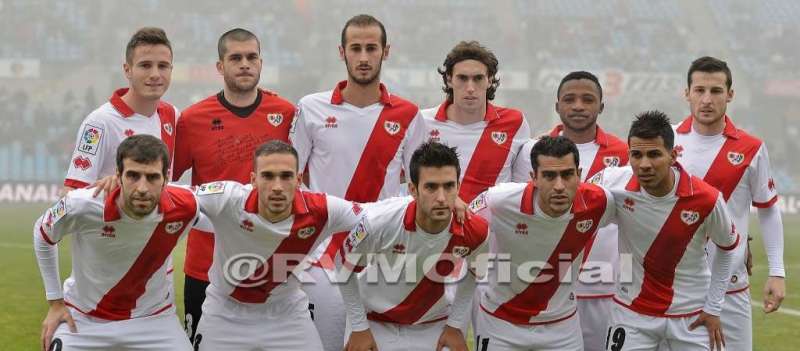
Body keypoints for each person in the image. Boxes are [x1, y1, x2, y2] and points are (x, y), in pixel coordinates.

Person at [290, 14, 427, 350]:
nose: (364, 57)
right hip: (324, 256)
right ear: (342, 52)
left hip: (382, 255)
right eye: (356, 48)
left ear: (386, 51)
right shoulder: (311, 108)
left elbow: (421, 186)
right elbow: (291, 179)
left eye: (371, 48)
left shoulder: (408, 114)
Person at [171, 28, 296, 342]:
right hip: (206, 267)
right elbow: (168, 181)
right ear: (220, 66)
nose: (244, 64)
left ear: (261, 63)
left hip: (269, 265)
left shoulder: (286, 114)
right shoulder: (192, 119)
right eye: (235, 58)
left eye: (251, 57)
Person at [190, 140, 362, 350]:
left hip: (287, 313)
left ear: (299, 179)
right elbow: (176, 198)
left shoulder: (322, 209)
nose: (277, 186)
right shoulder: (227, 197)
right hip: (225, 312)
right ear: (253, 179)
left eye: (286, 176)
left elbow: (372, 218)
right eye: (268, 176)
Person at [590, 111, 739, 350]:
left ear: (673, 155)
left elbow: (727, 247)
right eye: (636, 155)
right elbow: (574, 201)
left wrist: (713, 307)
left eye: (654, 155)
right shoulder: (612, 183)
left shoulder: (707, 199)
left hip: (691, 316)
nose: (644, 164)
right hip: (631, 313)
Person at [35, 135, 197, 351]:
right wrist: (55, 302)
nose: (142, 187)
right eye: (133, 175)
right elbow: (42, 233)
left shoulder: (186, 204)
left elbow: (231, 208)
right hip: (83, 320)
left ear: (166, 179)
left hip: (154, 320)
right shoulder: (83, 204)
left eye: (152, 177)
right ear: (118, 176)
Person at [673, 56, 785, 351]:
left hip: (731, 287)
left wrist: (777, 271)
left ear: (730, 95)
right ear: (687, 93)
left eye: (716, 90)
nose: (707, 99)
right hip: (679, 286)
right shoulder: (666, 141)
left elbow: (769, 209)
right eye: (699, 90)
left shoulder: (751, 148)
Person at [515, 71, 628, 351]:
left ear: (601, 106)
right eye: (570, 99)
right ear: (557, 106)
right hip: (549, 290)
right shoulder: (532, 150)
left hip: (606, 288)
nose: (578, 106)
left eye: (587, 99)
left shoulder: (625, 153)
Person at [338, 142, 488, 351]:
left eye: (449, 186)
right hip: (374, 322)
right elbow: (343, 266)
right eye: (431, 187)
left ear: (458, 187)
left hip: (433, 325)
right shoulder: (379, 222)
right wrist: (358, 327)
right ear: (412, 189)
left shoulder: (476, 231)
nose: (442, 198)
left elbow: (474, 272)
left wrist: (455, 326)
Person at [470, 136, 616, 350]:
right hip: (499, 323)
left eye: (567, 175)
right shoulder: (499, 201)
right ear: (533, 178)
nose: (559, 186)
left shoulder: (600, 202)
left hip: (562, 327)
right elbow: (458, 223)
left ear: (580, 175)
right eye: (549, 176)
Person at [63, 27, 178, 193]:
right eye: (145, 65)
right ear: (127, 70)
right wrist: (113, 192)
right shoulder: (98, 123)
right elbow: (69, 194)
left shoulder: (172, 115)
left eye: (163, 66)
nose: (155, 74)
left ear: (171, 70)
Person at [421, 40, 530, 202]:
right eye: (462, 78)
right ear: (449, 80)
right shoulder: (422, 122)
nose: (470, 88)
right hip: (439, 226)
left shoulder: (515, 123)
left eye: (478, 78)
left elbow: (522, 187)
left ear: (490, 80)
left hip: (491, 227)